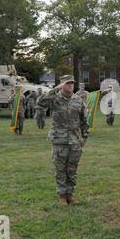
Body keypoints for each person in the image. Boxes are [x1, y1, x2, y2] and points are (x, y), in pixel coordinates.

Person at [37, 75, 89, 206]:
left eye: (72, 83)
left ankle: (70, 194)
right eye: (67, 83)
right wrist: (55, 89)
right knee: (60, 168)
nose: (71, 85)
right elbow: (40, 102)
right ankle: (62, 195)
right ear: (61, 85)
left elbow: (84, 120)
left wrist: (85, 137)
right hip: (59, 140)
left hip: (75, 140)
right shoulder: (54, 98)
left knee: (72, 169)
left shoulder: (78, 100)